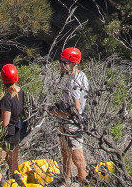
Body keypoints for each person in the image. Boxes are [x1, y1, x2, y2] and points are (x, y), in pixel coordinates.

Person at [51, 47, 89, 186]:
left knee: (78, 158)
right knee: (65, 153)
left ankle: (83, 182)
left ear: (72, 64)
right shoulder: (79, 76)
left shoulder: (74, 82)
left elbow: (76, 109)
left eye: (63, 62)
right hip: (67, 123)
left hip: (72, 125)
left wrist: (55, 112)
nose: (60, 65)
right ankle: (66, 180)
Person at [0, 65, 24, 187]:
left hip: (6, 137)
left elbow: (5, 122)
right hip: (16, 134)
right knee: (13, 166)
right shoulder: (20, 92)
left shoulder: (7, 99)